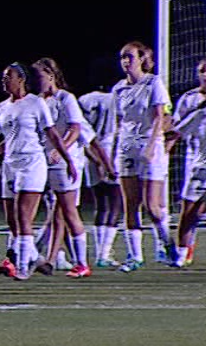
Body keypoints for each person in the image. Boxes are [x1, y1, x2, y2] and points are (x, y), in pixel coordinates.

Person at [0, 63, 76, 280]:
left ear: (21, 79)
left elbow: (52, 134)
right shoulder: (1, 108)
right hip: (10, 165)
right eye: (3, 77)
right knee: (12, 221)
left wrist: (69, 160)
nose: (4, 80)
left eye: (8, 76)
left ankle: (21, 268)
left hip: (32, 163)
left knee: (23, 217)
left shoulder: (36, 103)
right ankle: (36, 259)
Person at [111, 41, 178, 272]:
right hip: (126, 148)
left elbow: (160, 116)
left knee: (152, 206)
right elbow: (118, 123)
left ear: (141, 59)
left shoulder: (153, 83)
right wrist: (113, 152)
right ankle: (135, 257)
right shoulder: (118, 89)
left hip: (150, 147)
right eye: (122, 57)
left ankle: (167, 243)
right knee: (130, 205)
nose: (125, 61)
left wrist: (151, 146)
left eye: (129, 56)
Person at [32, 58, 92, 278]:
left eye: (40, 77)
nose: (37, 82)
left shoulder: (65, 98)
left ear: (51, 75)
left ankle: (81, 263)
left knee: (67, 210)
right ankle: (47, 258)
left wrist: (62, 150)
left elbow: (75, 129)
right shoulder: (37, 101)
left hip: (67, 161)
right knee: (55, 211)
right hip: (45, 161)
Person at [79, 89, 123, 268]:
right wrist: (108, 163)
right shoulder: (116, 98)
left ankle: (100, 252)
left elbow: (82, 135)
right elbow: (120, 127)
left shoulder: (84, 99)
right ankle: (104, 253)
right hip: (111, 149)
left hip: (89, 153)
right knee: (116, 203)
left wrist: (94, 160)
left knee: (101, 205)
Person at [169, 56, 206, 266]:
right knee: (189, 210)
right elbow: (176, 129)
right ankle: (183, 251)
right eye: (202, 70)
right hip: (196, 162)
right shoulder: (190, 99)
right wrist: (165, 149)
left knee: (198, 210)